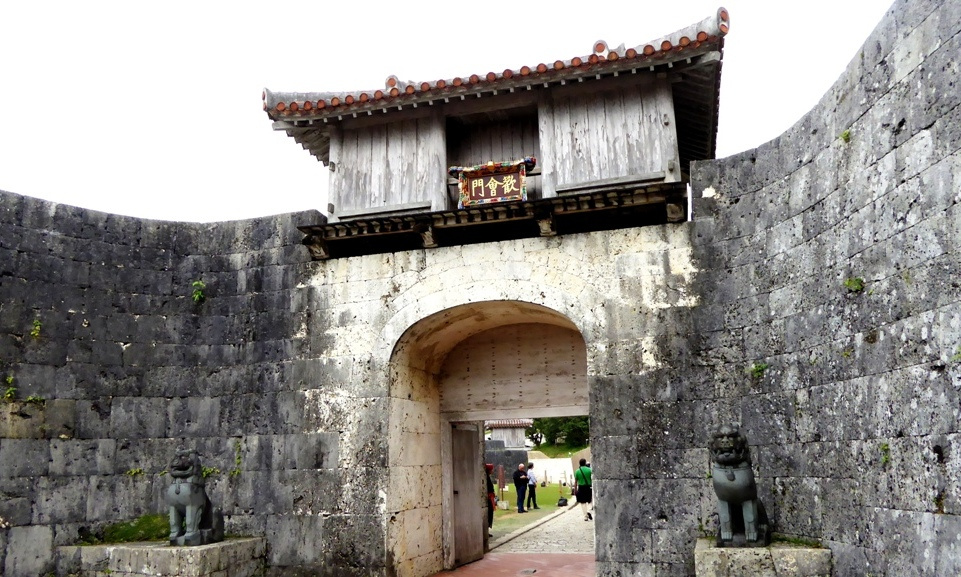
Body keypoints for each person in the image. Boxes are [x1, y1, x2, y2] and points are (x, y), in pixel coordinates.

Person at [485, 464, 496, 531]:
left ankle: (488, 528)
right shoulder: (486, 477)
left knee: (490, 512)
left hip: (491, 496)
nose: (492, 471)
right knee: (489, 512)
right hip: (489, 497)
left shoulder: (487, 477)